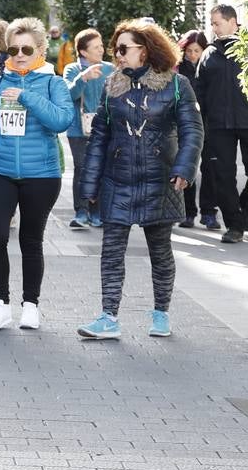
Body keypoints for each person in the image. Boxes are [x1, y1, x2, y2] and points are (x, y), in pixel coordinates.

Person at [75, 22, 201, 341]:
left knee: (160, 251)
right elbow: (100, 136)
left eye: (122, 49)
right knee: (111, 250)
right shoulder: (112, 85)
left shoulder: (176, 84)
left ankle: (161, 313)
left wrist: (184, 169)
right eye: (115, 49)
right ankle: (108, 317)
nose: (116, 55)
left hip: (160, 180)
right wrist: (89, 184)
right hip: (118, 179)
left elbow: (192, 131)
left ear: (143, 50)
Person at [0, 17, 73, 331]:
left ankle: (31, 305)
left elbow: (62, 120)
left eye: (27, 48)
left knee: (30, 240)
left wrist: (27, 97)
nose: (20, 54)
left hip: (42, 175)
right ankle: (0, 303)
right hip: (1, 172)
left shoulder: (53, 83)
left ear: (40, 50)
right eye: (14, 48)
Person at [194, 4, 248, 243]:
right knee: (222, 175)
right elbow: (199, 91)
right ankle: (235, 226)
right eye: (211, 23)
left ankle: (246, 202)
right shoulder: (209, 53)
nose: (213, 27)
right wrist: (202, 124)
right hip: (219, 126)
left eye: (216, 23)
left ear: (233, 22)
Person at [62, 29, 113, 229]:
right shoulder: (72, 69)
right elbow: (68, 94)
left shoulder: (110, 69)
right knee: (82, 167)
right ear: (83, 52)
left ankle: (97, 211)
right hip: (78, 128)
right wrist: (83, 77)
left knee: (100, 168)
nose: (101, 49)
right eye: (96, 47)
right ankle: (81, 211)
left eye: (101, 45)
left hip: (103, 127)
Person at [176, 30, 219, 230]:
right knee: (188, 166)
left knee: (210, 169)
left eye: (197, 51)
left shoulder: (210, 66)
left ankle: (209, 212)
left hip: (209, 124)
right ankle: (188, 212)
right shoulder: (178, 70)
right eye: (189, 51)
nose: (193, 55)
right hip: (185, 125)